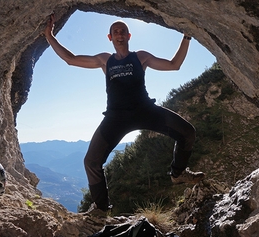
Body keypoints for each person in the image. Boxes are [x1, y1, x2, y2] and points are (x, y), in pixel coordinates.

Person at [44, 14, 204, 216]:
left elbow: (174, 65)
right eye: (115, 32)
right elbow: (70, 59)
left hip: (145, 110)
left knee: (187, 132)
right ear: (110, 37)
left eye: (122, 31)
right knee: (91, 162)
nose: (119, 34)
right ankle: (101, 210)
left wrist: (186, 37)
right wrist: (49, 36)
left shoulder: (141, 57)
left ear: (129, 36)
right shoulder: (105, 60)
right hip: (116, 116)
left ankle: (178, 173)